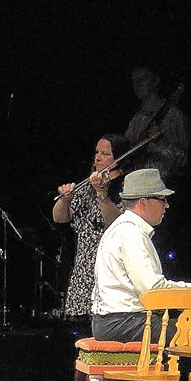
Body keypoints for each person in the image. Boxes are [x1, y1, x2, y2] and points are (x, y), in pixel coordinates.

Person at [91, 168, 191, 342]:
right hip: (122, 321)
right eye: (161, 199)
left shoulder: (123, 228)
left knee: (188, 330)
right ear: (143, 202)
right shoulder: (131, 233)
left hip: (116, 321)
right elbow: (153, 289)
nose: (167, 205)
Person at [52, 134, 129, 326]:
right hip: (84, 270)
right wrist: (65, 200)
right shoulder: (86, 187)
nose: (98, 158)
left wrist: (102, 193)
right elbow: (59, 217)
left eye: (105, 154)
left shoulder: (125, 187)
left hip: (110, 270)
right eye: (97, 152)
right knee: (81, 330)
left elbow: (117, 223)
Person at [123, 67, 189, 179]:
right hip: (137, 182)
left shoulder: (174, 116)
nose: (137, 84)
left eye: (142, 79)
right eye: (134, 80)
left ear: (155, 81)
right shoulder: (136, 119)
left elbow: (182, 160)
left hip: (163, 183)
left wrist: (160, 141)